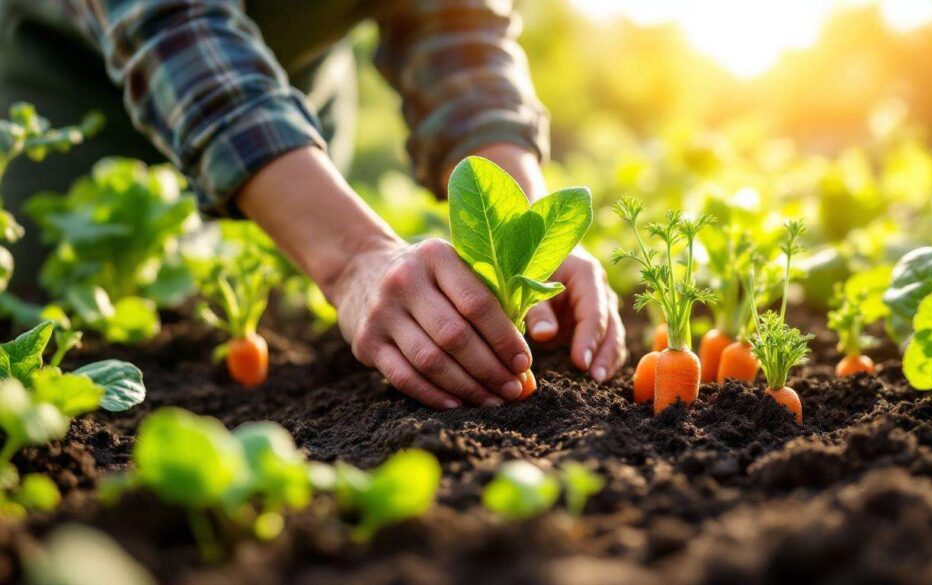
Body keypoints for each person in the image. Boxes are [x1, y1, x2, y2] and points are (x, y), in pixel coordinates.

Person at [0, 0, 626, 409]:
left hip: (290, 103)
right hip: (72, 99)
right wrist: (355, 256)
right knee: (60, 342)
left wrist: (527, 233)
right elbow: (168, 20)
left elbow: (454, 23)